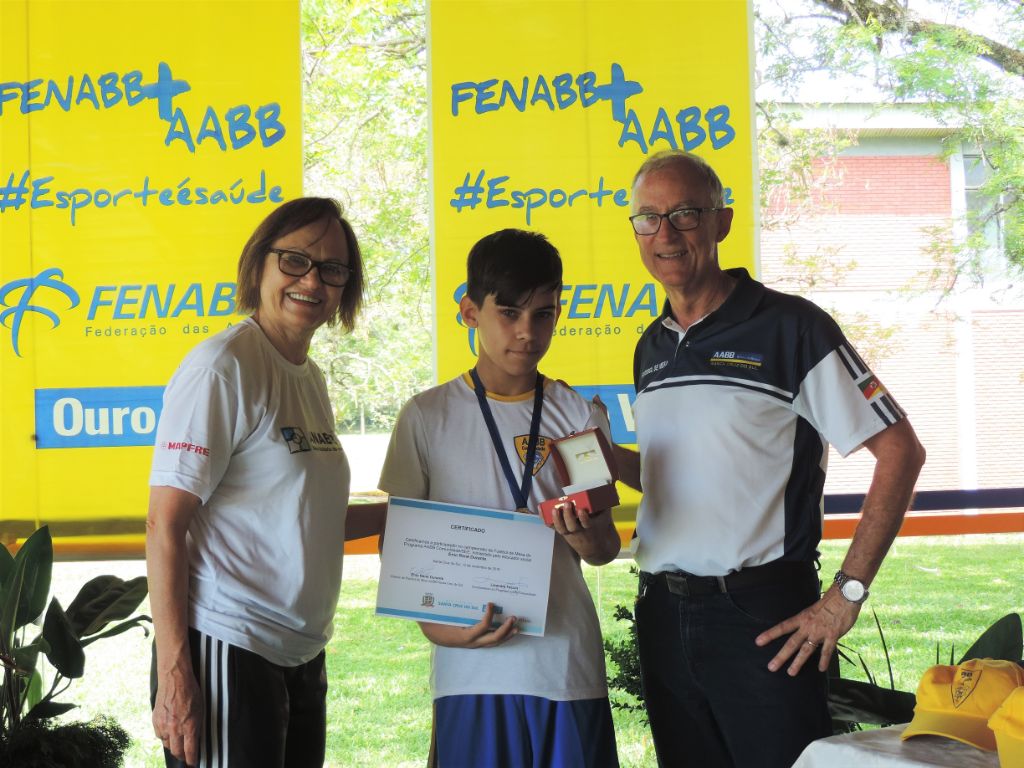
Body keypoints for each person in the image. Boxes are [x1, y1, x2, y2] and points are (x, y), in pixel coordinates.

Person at [609, 150, 926, 767]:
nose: (665, 234)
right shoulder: (651, 346)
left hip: (760, 614)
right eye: (648, 218)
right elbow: (683, 476)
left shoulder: (791, 327)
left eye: (685, 213)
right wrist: (606, 460)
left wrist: (847, 594)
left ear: (722, 221)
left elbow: (901, 451)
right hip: (662, 612)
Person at [146, 197, 386, 768]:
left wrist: (423, 512)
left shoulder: (309, 377)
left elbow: (307, 519)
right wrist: (175, 671)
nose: (313, 281)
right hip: (228, 644)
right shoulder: (222, 367)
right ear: (259, 264)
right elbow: (164, 524)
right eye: (295, 260)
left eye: (332, 269)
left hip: (300, 654)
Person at [378, 228, 622, 768]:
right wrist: (435, 627)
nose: (526, 331)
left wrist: (586, 537)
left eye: (543, 314)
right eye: (509, 313)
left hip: (563, 669)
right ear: (470, 312)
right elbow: (399, 546)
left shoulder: (578, 416)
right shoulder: (426, 416)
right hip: (469, 672)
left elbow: (605, 547)